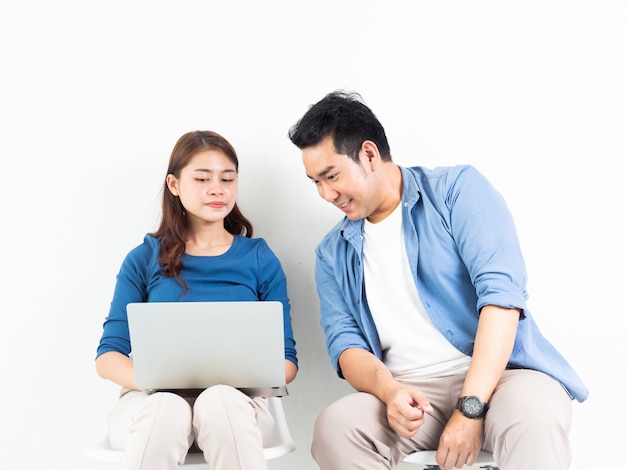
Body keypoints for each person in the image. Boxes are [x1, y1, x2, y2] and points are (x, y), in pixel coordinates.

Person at [288, 90, 587, 470]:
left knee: (535, 413)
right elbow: (346, 346)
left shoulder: (457, 191)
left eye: (332, 176)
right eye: (315, 181)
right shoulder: (332, 253)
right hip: (410, 394)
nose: (326, 194)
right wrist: (390, 391)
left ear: (368, 154)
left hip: (500, 378)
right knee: (336, 428)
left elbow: (501, 298)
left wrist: (471, 408)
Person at [95, 130, 298, 470]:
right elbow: (108, 356)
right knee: (167, 408)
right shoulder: (143, 258)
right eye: (202, 178)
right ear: (174, 185)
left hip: (238, 405)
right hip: (149, 405)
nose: (217, 188)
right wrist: (160, 384)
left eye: (227, 179)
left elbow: (286, 362)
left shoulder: (259, 258)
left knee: (219, 402)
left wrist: (228, 382)